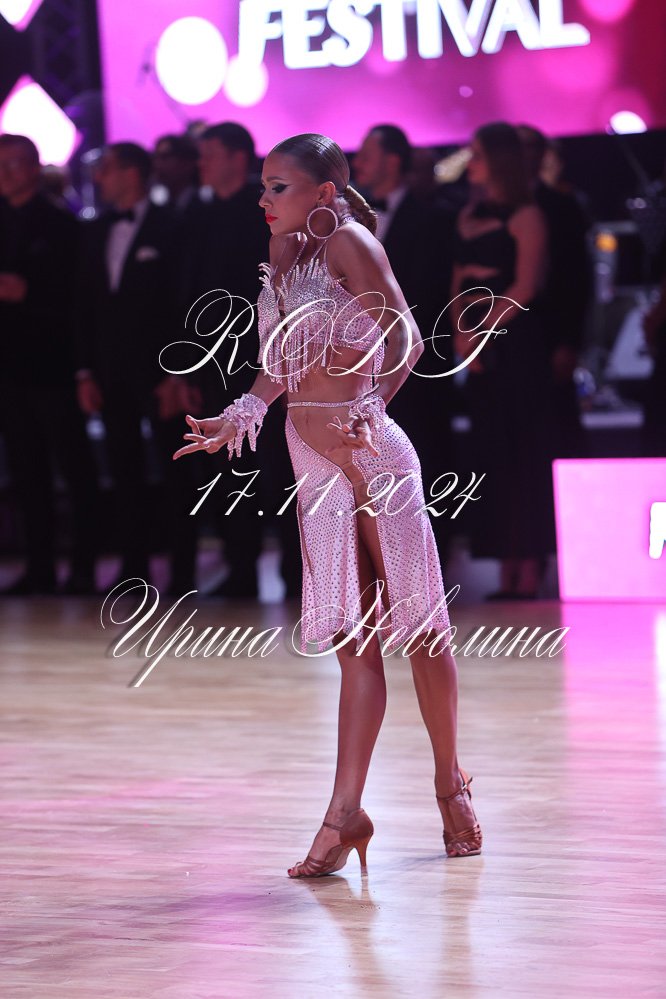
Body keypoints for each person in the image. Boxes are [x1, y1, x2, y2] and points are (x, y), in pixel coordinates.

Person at [174, 133, 482, 876]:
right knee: (352, 640)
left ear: (324, 192)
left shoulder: (349, 241)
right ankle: (346, 814)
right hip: (310, 458)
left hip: (371, 453)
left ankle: (450, 783)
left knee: (420, 627)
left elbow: (408, 339)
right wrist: (241, 414)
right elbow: (280, 367)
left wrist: (372, 406)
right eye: (263, 186)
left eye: (278, 187)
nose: (264, 199)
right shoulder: (284, 253)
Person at [180, 122, 301, 599]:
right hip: (214, 362)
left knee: (283, 468)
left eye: (209, 154)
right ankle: (240, 570)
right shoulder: (198, 214)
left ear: (236, 157)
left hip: (269, 360)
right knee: (229, 470)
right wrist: (189, 368)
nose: (200, 164)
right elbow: (189, 294)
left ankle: (298, 573)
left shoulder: (267, 213)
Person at [75, 141, 199, 592]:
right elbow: (83, 305)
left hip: (161, 370)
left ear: (131, 173)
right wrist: (85, 371)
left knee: (175, 469)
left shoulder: (173, 226)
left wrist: (180, 372)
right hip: (110, 371)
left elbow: (186, 303)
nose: (98, 178)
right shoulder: (95, 229)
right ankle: (133, 570)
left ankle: (183, 572)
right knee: (123, 468)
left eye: (106, 169)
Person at [451, 122, 555, 599]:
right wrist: (459, 331)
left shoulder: (527, 214)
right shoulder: (468, 213)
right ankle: (505, 565)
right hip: (479, 347)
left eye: (477, 153)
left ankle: (529, 566)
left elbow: (526, 285)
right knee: (492, 452)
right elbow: (457, 279)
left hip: (516, 344)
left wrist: (482, 330)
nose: (470, 162)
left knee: (523, 454)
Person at [0, 133, 98, 595]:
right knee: (25, 470)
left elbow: (81, 298)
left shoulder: (62, 223)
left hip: (54, 364)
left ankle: (83, 566)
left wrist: (29, 293)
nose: (5, 173)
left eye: (14, 164)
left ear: (35, 168)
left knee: (73, 467)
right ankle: (38, 566)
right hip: (9, 365)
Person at [353, 125, 456, 558]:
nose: (358, 164)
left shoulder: (433, 217)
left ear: (393, 161)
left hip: (418, 363)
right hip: (359, 364)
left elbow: (429, 296)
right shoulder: (347, 221)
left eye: (367, 155)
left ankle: (433, 561)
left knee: (425, 457)